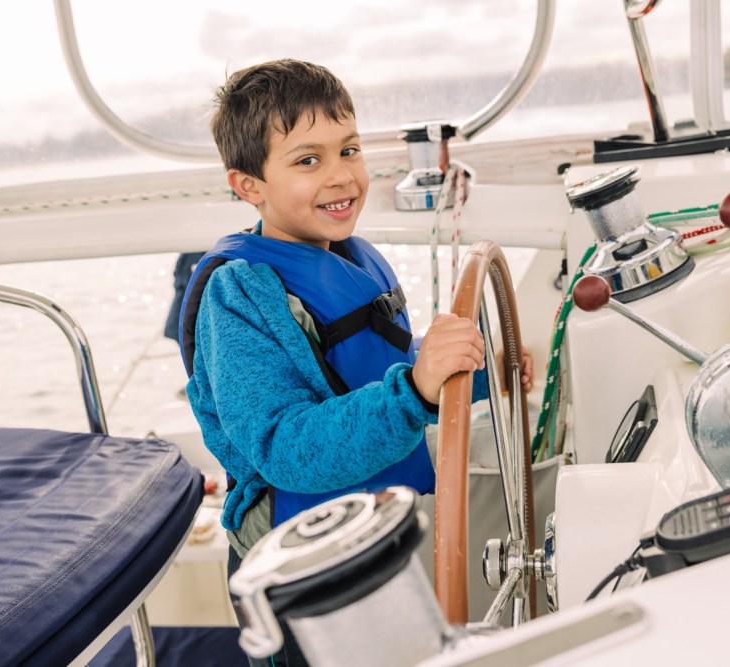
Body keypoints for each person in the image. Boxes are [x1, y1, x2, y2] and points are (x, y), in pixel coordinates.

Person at [179, 59, 531, 665]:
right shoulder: (238, 296)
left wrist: (473, 372)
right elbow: (283, 447)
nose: (342, 177)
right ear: (249, 186)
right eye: (308, 160)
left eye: (350, 150)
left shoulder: (351, 255)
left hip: (386, 523)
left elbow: (373, 366)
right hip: (305, 565)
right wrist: (413, 396)